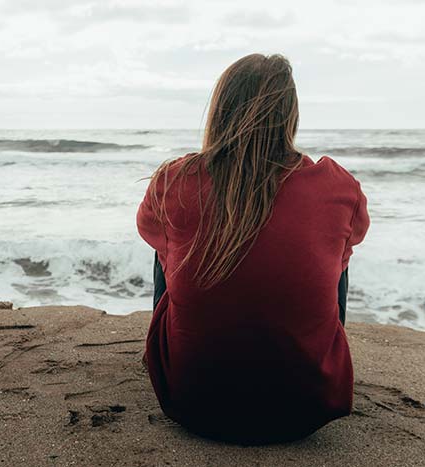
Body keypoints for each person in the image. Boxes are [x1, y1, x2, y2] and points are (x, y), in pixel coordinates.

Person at [137, 53, 369, 445]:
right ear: (290, 116)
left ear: (220, 110)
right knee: (337, 254)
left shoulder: (175, 179)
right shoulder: (336, 186)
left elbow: (150, 233)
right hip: (306, 409)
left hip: (192, 402)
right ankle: (309, 361)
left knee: (170, 245)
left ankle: (182, 353)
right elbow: (350, 242)